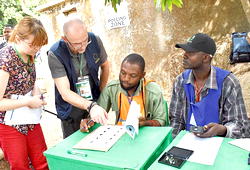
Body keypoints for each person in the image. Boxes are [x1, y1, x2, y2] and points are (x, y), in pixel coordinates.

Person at [169, 33, 250, 138]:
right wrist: (175, 146)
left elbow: (241, 126)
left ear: (206, 58)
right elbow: (176, 121)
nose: (184, 55)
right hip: (188, 142)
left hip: (220, 145)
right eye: (185, 51)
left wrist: (223, 130)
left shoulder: (228, 82)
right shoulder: (181, 81)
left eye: (191, 52)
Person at [0, 17, 48, 170]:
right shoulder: (5, 59)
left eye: (39, 46)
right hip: (8, 123)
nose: (36, 49)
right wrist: (27, 102)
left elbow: (30, 81)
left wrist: (36, 93)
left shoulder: (30, 54)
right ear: (19, 38)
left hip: (29, 118)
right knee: (20, 165)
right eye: (33, 45)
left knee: (42, 160)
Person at [48, 18, 109, 138]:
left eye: (85, 40)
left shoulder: (95, 40)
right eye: (76, 44)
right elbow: (65, 93)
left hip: (93, 99)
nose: (82, 47)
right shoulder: (55, 53)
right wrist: (91, 106)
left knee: (99, 138)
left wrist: (101, 94)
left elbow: (105, 66)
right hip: (70, 107)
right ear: (64, 39)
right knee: (75, 143)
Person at [80, 53, 166, 131]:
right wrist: (88, 122)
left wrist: (143, 123)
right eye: (123, 73)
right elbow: (98, 115)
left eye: (133, 75)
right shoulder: (111, 89)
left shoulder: (153, 91)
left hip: (146, 134)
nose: (126, 79)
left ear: (142, 75)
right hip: (120, 133)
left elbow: (161, 121)